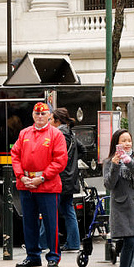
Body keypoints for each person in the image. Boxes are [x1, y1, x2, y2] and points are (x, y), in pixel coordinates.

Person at [11, 101, 68, 267]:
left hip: (47, 185)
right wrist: (21, 176)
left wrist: (42, 178)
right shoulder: (24, 133)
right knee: (29, 222)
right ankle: (33, 255)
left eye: (44, 114)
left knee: (51, 223)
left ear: (50, 115)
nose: (40, 117)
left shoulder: (56, 135)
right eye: (37, 113)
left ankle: (53, 256)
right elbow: (15, 154)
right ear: (33, 115)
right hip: (26, 184)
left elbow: (60, 160)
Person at [103, 129, 134, 267]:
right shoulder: (109, 161)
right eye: (123, 141)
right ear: (117, 143)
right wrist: (115, 164)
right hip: (120, 206)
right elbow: (109, 184)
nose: (127, 143)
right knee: (129, 240)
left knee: (131, 240)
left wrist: (129, 161)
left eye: (129, 140)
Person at [52, 107, 82, 254]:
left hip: (60, 178)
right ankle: (74, 243)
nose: (50, 122)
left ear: (57, 121)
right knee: (68, 210)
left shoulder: (59, 134)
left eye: (51, 119)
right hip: (71, 178)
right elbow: (82, 149)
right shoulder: (71, 133)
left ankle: (43, 242)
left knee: (50, 210)